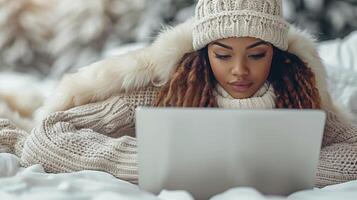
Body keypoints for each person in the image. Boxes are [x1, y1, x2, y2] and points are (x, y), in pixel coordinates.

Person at [1, 0, 356, 188]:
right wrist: (153, 163)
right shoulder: (165, 92)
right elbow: (46, 137)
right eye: (222, 54)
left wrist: (267, 169)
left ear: (277, 54)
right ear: (203, 52)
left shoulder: (298, 98)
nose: (239, 70)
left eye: (257, 54)